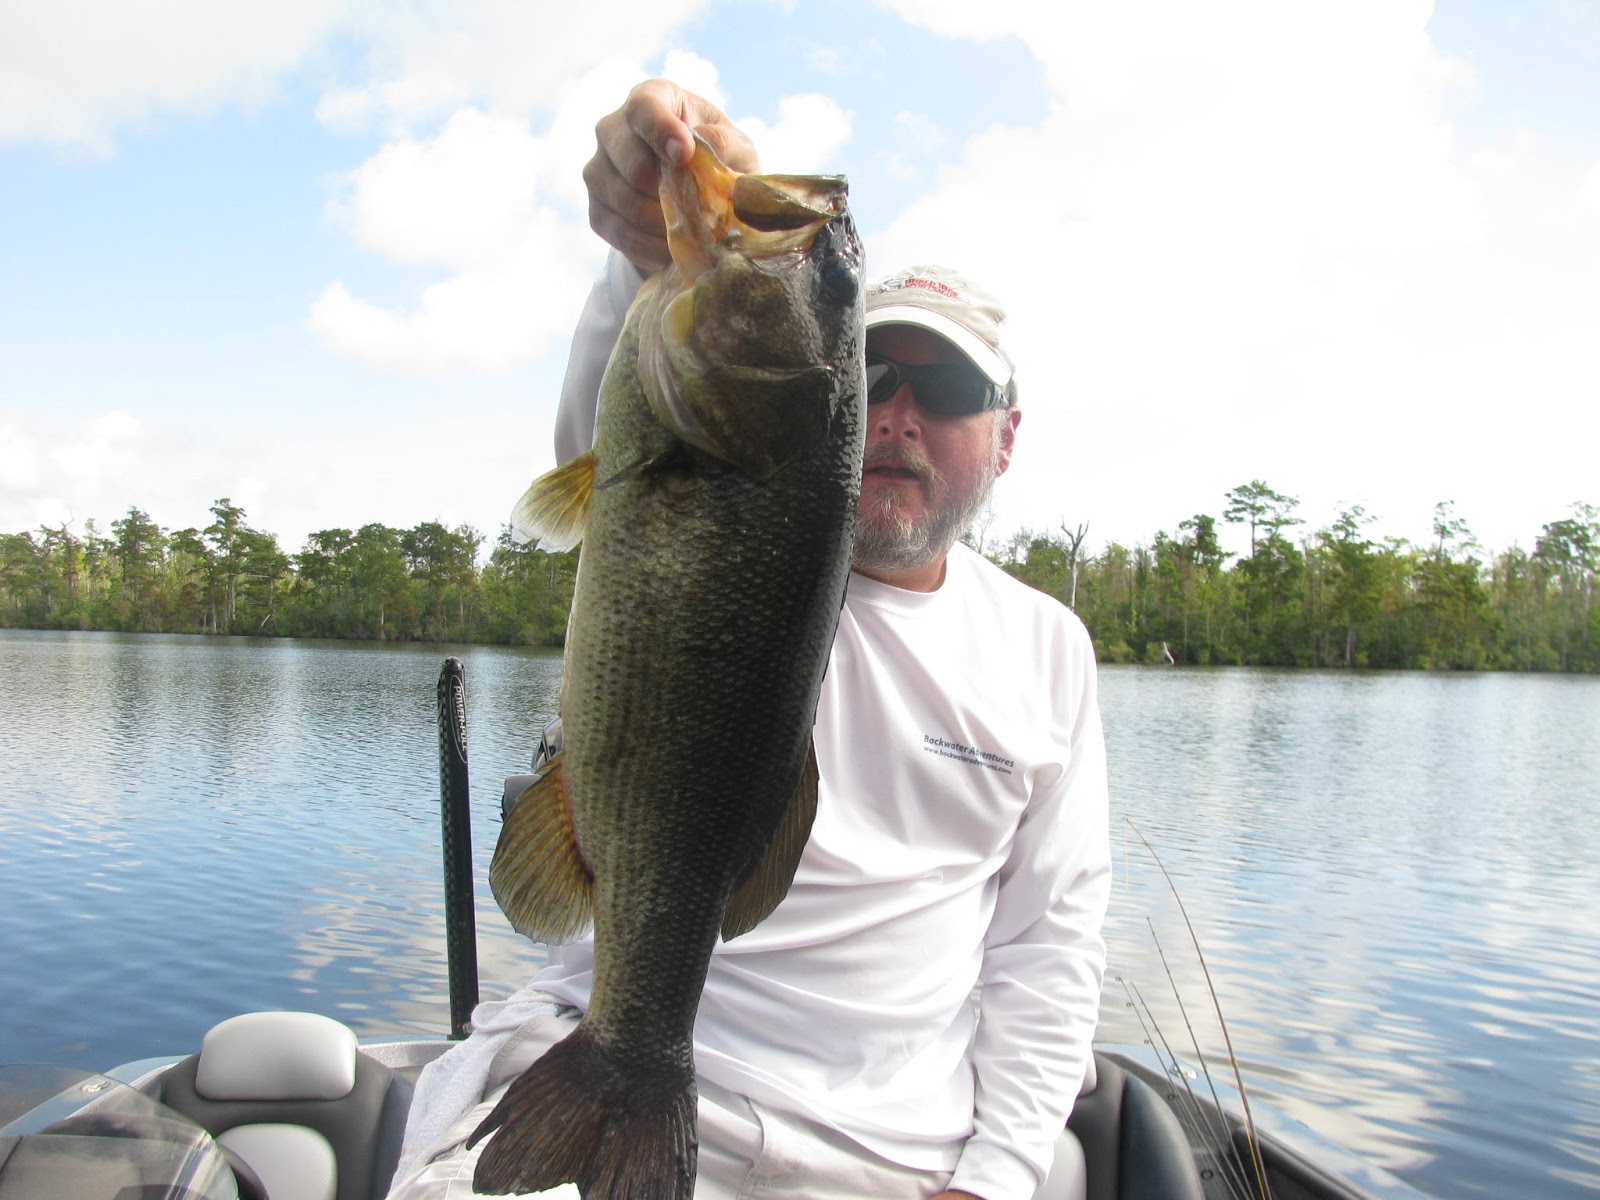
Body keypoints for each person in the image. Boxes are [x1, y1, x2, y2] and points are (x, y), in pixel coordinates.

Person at [389, 80, 1111, 1200]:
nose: (901, 414)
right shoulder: (714, 474)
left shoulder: (1045, 650)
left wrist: (999, 1174)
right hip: (587, 1050)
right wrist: (643, 244)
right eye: (874, 372)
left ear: (1005, 436)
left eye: (950, 387)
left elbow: (1046, 954)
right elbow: (618, 415)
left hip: (884, 1155)